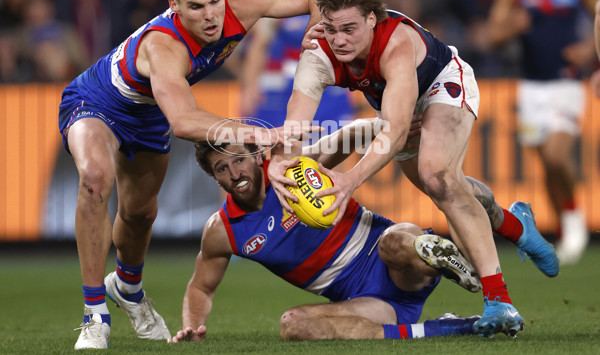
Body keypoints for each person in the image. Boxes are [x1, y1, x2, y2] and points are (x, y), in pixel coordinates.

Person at [266, 0, 561, 339]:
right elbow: (298, 118)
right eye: (330, 28)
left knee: (439, 177)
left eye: (349, 29)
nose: (338, 40)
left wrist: (349, 181)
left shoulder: (396, 44)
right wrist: (284, 162)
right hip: (395, 103)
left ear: (372, 19)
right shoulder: (317, 52)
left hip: (442, 83)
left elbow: (395, 131)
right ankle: (516, 224)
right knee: (446, 185)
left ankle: (499, 301)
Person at [58, 0, 320, 350]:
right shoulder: (164, 46)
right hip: (96, 103)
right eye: (196, 7)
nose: (211, 14)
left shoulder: (242, 4)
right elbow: (183, 122)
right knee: (95, 178)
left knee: (141, 213)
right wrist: (258, 134)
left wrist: (313, 34)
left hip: (149, 116)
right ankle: (95, 313)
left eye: (216, 0)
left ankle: (128, 288)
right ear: (174, 6)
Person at [169, 119, 484, 343]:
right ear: (215, 178)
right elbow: (200, 288)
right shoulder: (223, 230)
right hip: (367, 302)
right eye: (221, 169)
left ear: (257, 154)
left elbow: (347, 136)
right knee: (293, 326)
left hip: (392, 257)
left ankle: (448, 257)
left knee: (396, 244)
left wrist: (389, 127)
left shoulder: (294, 169)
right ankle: (441, 329)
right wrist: (191, 327)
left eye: (239, 159)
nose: (234, 173)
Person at [487, 0, 598, 264]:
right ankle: (567, 227)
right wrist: (511, 26)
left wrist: (589, 50)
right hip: (530, 86)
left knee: (555, 155)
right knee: (546, 165)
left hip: (566, 82)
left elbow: (599, 18)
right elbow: (493, 35)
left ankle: (574, 219)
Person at [239, 0, 354, 129]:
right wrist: (249, 88)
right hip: (283, 95)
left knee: (332, 156)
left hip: (332, 94)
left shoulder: (349, 1)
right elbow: (259, 44)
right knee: (283, 157)